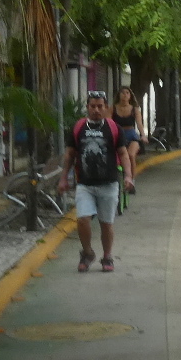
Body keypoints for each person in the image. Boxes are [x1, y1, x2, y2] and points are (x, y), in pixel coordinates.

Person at [59, 92, 129, 272]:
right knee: (82, 220)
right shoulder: (79, 127)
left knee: (106, 224)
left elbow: (123, 153)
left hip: (109, 184)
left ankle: (107, 256)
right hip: (85, 184)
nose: (96, 110)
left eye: (100, 106)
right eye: (93, 106)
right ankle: (88, 253)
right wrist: (64, 178)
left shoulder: (113, 128)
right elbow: (70, 154)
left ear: (106, 108)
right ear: (87, 107)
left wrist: (128, 176)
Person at [111, 86, 142, 193]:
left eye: (127, 93)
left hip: (132, 136)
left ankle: (132, 181)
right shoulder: (113, 108)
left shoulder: (134, 109)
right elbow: (108, 122)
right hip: (118, 135)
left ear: (130, 96)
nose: (125, 95)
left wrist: (143, 135)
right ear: (119, 95)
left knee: (131, 155)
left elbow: (139, 123)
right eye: (123, 93)